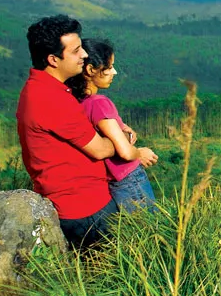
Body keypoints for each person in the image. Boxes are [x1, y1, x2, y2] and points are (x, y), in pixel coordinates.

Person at [16, 15, 119, 249]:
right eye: (76, 50)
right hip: (87, 209)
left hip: (74, 204)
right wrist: (122, 138)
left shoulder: (41, 88)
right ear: (53, 59)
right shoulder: (50, 98)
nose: (84, 54)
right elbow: (101, 150)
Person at [66, 38, 159, 211]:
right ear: (90, 70)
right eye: (108, 67)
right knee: (151, 229)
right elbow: (124, 151)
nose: (114, 72)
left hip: (112, 182)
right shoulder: (98, 103)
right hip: (130, 179)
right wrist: (139, 153)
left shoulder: (76, 103)